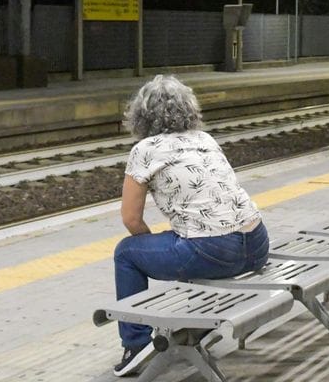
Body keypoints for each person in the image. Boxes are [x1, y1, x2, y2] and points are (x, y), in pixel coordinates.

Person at [111, 74, 269, 377]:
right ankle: (196, 327)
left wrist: (155, 249)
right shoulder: (205, 139)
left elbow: (131, 218)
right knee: (185, 241)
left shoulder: (145, 149)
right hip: (258, 243)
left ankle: (136, 343)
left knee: (127, 252)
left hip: (214, 250)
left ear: (140, 115)